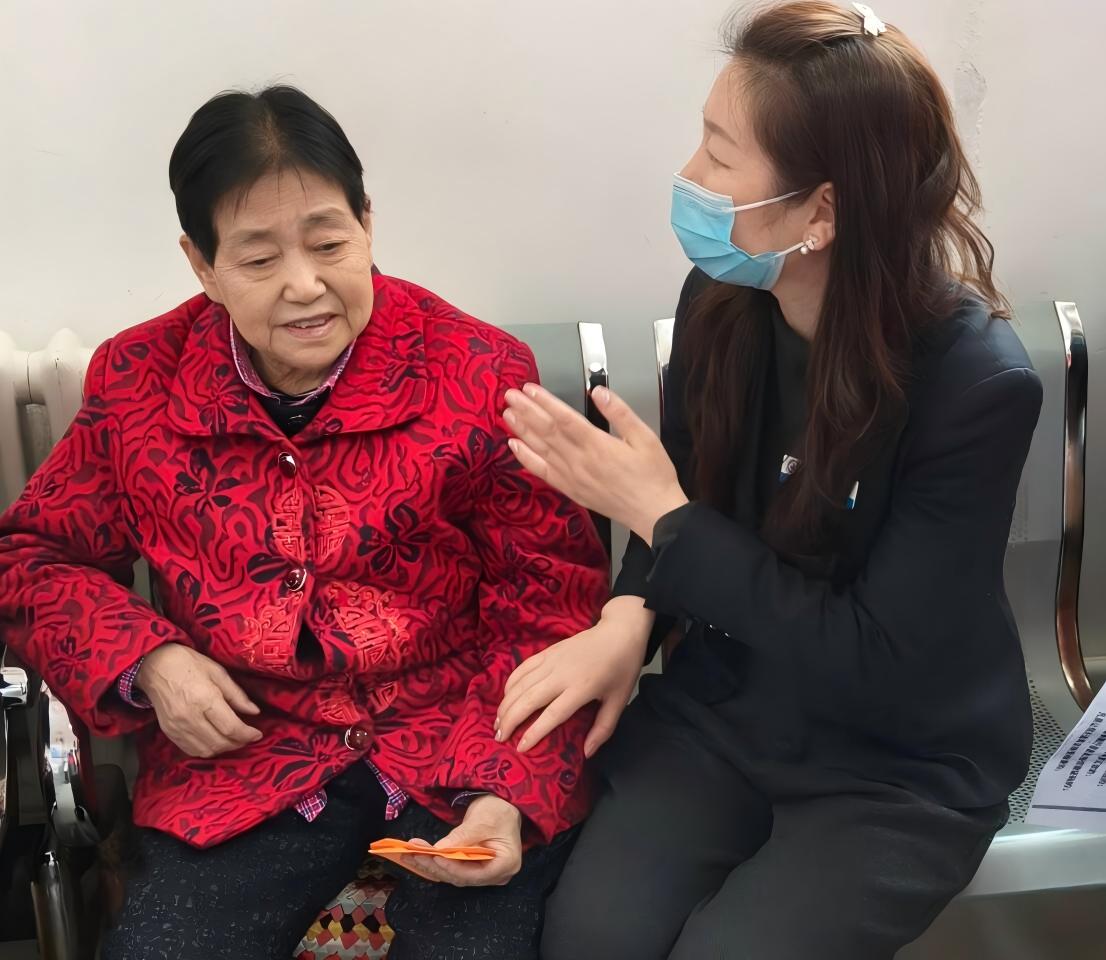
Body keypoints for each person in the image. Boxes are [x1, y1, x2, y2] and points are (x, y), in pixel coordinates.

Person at [0, 86, 609, 960]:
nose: (305, 284)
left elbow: (550, 598)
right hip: (247, 759)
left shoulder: (477, 370)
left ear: (368, 223)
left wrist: (504, 790)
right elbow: (33, 555)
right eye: (258, 258)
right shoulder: (139, 380)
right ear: (202, 265)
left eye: (329, 243)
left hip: (459, 742)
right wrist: (151, 661)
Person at [495, 3, 1042, 957]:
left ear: (822, 211)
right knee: (590, 938)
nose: (689, 175)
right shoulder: (723, 297)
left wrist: (661, 519)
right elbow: (682, 496)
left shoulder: (975, 385)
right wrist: (626, 620)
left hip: (895, 760)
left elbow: (873, 654)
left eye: (719, 155)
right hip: (724, 712)